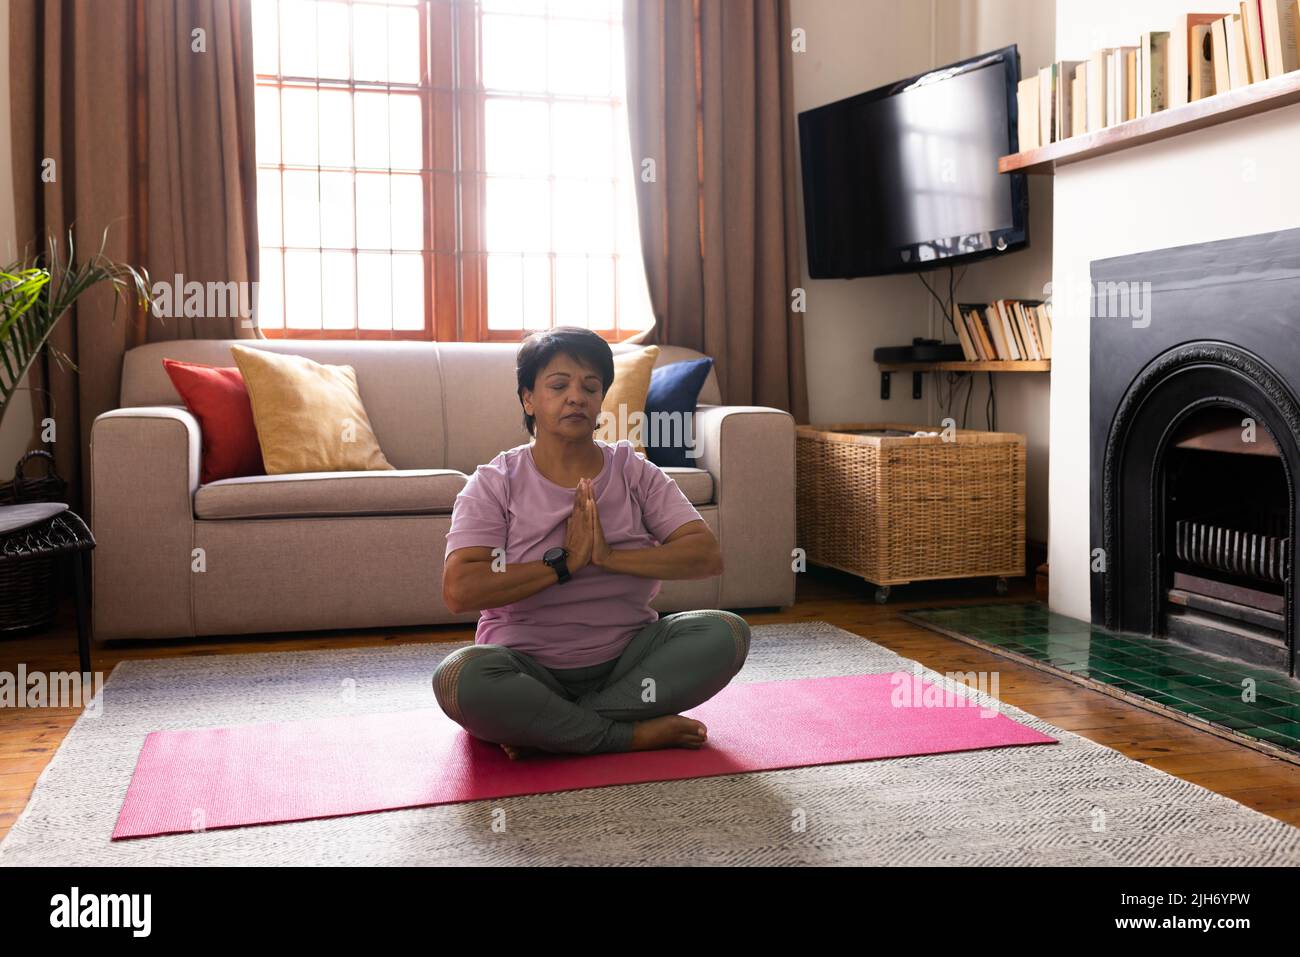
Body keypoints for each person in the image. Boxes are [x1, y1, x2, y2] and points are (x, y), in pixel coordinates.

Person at [433, 326, 751, 759]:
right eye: (558, 385)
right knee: (459, 678)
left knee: (725, 632)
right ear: (528, 398)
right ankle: (627, 734)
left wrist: (609, 557)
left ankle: (553, 727)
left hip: (629, 663)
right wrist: (565, 563)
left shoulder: (634, 471)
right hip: (527, 668)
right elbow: (460, 590)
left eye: (590, 386)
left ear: (601, 400)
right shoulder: (494, 483)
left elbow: (705, 556)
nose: (576, 397)